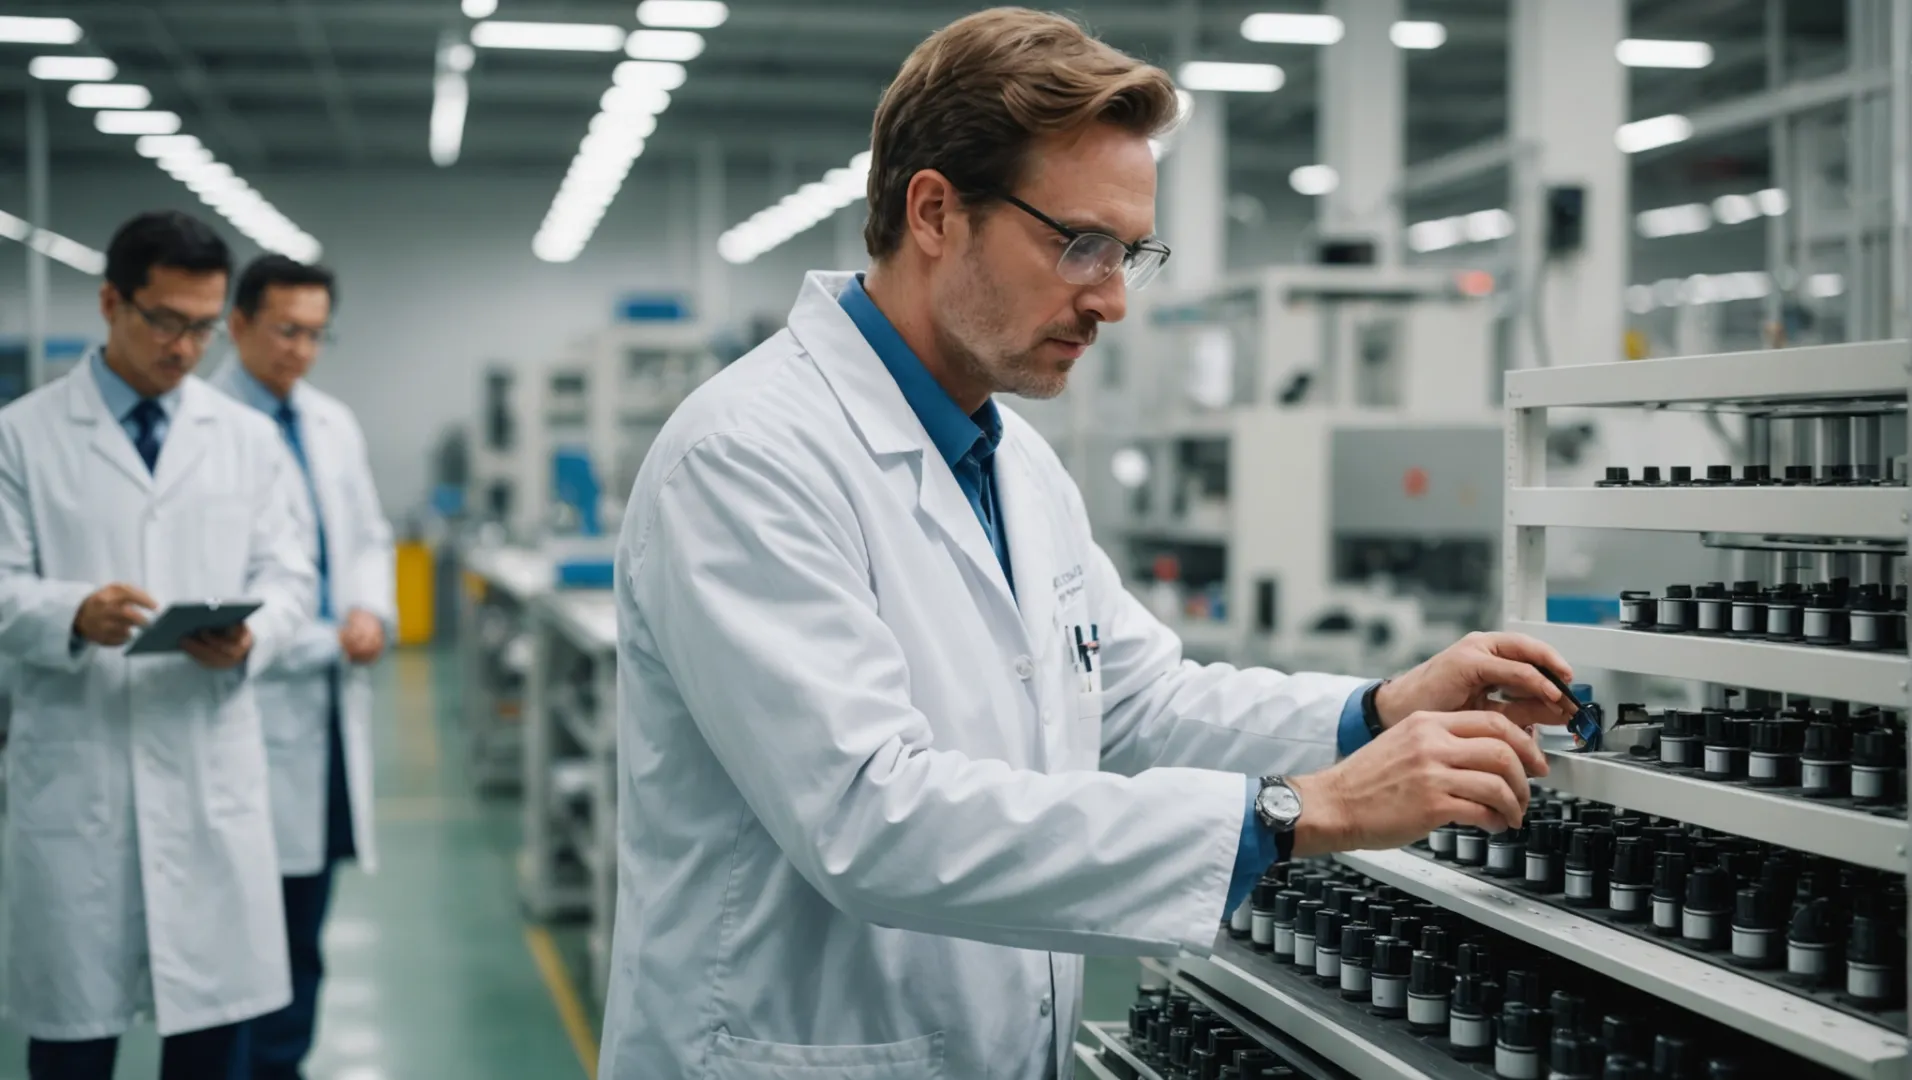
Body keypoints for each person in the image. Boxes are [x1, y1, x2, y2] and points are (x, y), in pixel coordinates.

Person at [600, 10, 1576, 1079]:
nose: (1111, 297)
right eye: (1080, 245)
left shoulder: (1013, 462)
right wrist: (1304, 810)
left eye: (1129, 253)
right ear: (935, 211)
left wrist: (1376, 711)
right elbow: (869, 819)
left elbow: (1138, 704)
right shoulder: (749, 455)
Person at [0, 210, 316, 1080]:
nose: (185, 347)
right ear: (111, 302)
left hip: (205, 766)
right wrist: (71, 613)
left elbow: (293, 578)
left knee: (213, 1037)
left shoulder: (246, 440)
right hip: (77, 772)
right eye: (166, 320)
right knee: (72, 1040)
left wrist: (253, 634)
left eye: (203, 326)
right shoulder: (21, 436)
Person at [208, 255, 394, 1080]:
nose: (302, 351)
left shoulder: (331, 423)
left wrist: (371, 610)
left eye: (317, 334)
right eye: (287, 331)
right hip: (238, 715)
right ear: (239, 323)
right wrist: (323, 635)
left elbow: (365, 536)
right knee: (236, 954)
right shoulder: (200, 428)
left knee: (302, 937)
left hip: (320, 712)